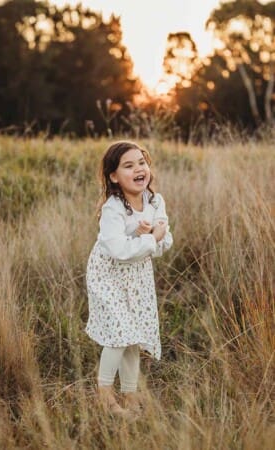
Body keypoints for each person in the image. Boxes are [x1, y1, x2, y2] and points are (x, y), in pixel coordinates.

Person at [84, 140, 173, 420]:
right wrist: (147, 237)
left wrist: (153, 238)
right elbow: (119, 251)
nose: (138, 169)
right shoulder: (113, 209)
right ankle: (105, 396)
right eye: (129, 165)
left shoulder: (155, 201)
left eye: (142, 163)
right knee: (119, 333)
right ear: (114, 176)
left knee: (132, 336)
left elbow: (164, 241)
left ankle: (131, 396)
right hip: (108, 274)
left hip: (137, 277)